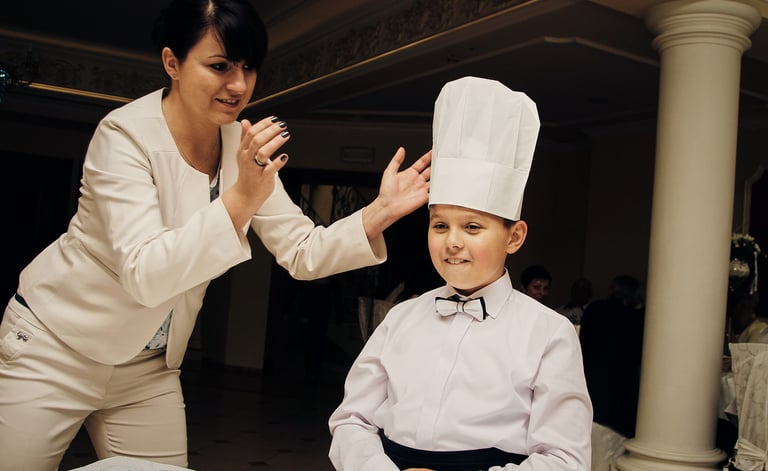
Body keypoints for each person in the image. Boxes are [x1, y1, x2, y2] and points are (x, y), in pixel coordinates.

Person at [0, 1, 432, 469]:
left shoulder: (239, 148)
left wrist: (378, 213)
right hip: (56, 349)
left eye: (248, 67)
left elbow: (302, 252)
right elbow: (145, 273)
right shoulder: (123, 136)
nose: (239, 85)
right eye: (220, 66)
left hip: (146, 369)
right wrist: (241, 197)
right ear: (173, 63)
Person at [328, 76, 592, 470]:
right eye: (440, 225)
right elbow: (352, 419)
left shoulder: (549, 334)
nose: (452, 241)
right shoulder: (401, 318)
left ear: (514, 236)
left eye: (472, 227)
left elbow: (565, 459)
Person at [578, 275, 645, 439]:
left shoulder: (594, 309)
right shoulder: (636, 318)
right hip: (622, 388)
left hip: (591, 382)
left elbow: (583, 342)